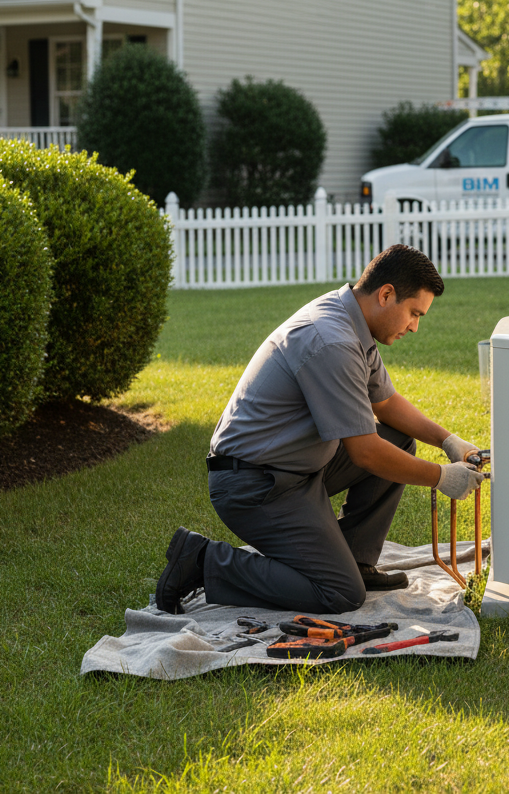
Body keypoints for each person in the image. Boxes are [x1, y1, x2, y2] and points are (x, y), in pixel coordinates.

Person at [155, 244, 484, 615]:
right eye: (413, 313)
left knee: (399, 438)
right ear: (386, 294)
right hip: (254, 485)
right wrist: (441, 477)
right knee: (339, 593)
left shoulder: (351, 320)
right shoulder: (333, 340)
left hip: (294, 467)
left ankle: (356, 561)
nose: (414, 326)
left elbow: (387, 404)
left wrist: (447, 441)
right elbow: (366, 452)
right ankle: (201, 560)